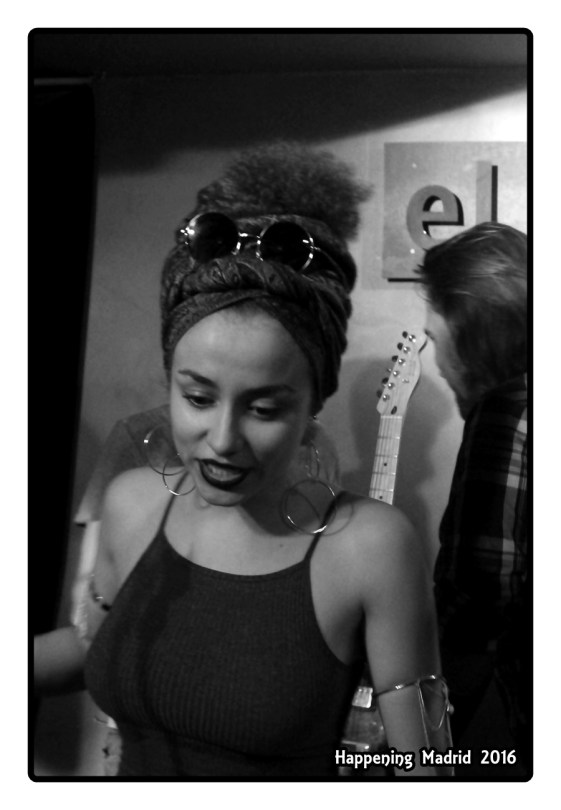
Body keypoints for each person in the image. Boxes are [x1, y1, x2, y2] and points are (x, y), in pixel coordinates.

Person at [35, 142, 452, 778]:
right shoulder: (131, 503)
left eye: (264, 407)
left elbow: (429, 766)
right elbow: (92, 646)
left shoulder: (370, 547)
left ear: (313, 401)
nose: (223, 439)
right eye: (198, 397)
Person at [417, 222, 529, 775]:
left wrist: (430, 732)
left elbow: (481, 590)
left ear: (472, 334)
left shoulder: (505, 412)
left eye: (436, 339)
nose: (435, 361)